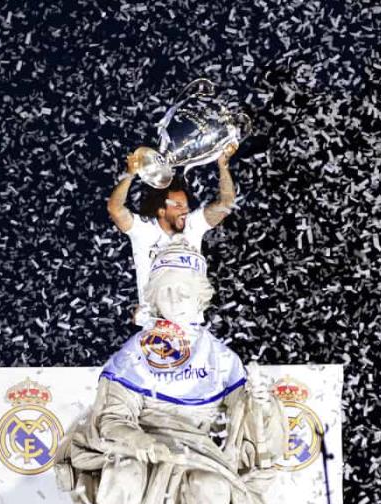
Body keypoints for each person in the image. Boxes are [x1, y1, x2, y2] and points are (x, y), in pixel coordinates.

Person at [54, 238, 287, 504]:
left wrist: (262, 404)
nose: (175, 300)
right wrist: (139, 441)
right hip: (142, 450)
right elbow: (112, 419)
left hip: (199, 454)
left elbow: (247, 426)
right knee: (125, 472)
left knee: (209, 485)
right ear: (154, 297)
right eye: (166, 291)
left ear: (200, 298)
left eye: (184, 292)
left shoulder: (221, 359)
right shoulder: (134, 355)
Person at [107, 143, 238, 325]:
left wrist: (223, 165)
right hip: (155, 326)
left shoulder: (193, 225)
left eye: (185, 205)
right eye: (178, 206)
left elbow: (227, 202)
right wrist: (130, 174)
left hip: (191, 325)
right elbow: (115, 208)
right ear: (161, 211)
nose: (185, 210)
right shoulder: (143, 230)